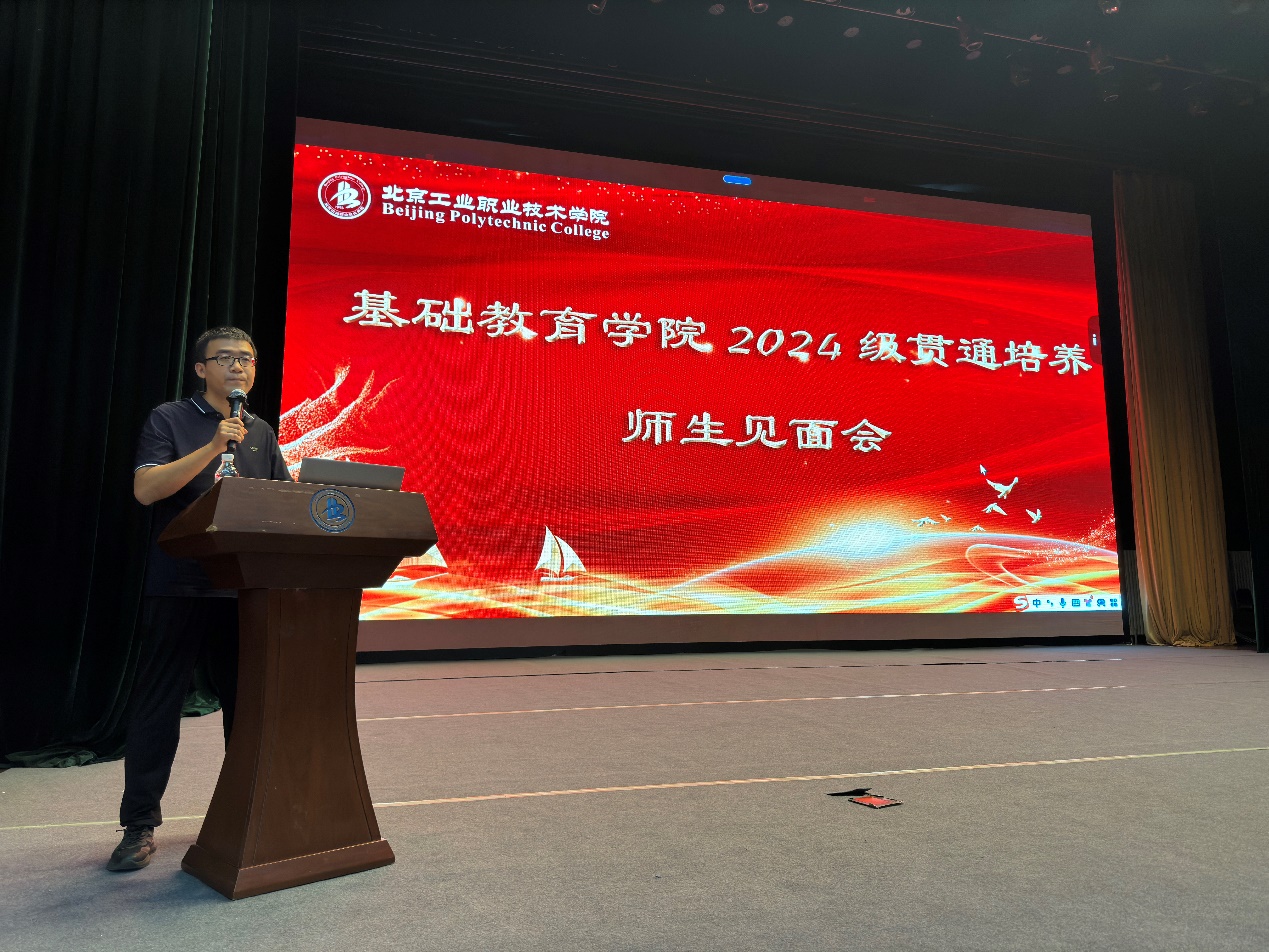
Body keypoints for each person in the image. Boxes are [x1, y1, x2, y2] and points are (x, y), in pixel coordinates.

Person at [108, 327, 292, 872]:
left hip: (241, 586)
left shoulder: (260, 431)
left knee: (247, 706)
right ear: (201, 369)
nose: (239, 367)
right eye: (226, 358)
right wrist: (213, 447)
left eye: (247, 359)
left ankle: (248, 814)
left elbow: (279, 500)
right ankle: (139, 824)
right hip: (180, 582)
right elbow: (146, 490)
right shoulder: (170, 418)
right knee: (158, 705)